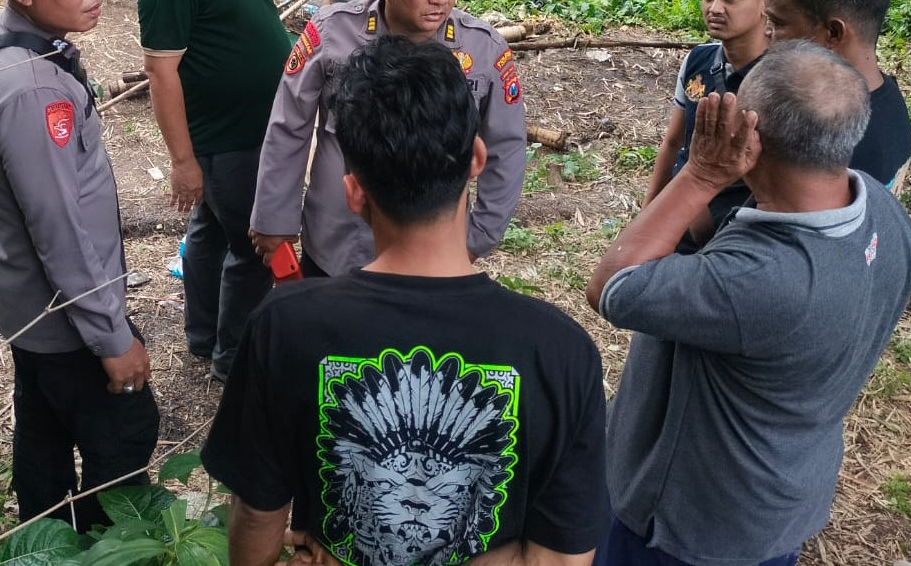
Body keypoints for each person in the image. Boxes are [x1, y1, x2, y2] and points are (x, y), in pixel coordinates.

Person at [204, 36, 608, 566]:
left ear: (353, 191)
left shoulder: (285, 325)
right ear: (477, 160)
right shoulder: (561, 350)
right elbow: (561, 558)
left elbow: (258, 514)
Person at [586, 41, 911, 566]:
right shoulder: (881, 207)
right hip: (781, 496)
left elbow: (612, 285)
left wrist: (699, 174)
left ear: (749, 132)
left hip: (691, 525)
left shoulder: (760, 280)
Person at [0, 0, 158, 529]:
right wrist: (112, 337)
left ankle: (44, 533)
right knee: (126, 435)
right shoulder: (33, 88)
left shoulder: (5, 42)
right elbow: (59, 229)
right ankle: (100, 542)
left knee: (43, 431)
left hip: (25, 302)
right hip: (62, 315)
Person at [250, 0, 527, 276]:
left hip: (430, 257)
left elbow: (506, 146)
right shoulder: (333, 34)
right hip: (338, 245)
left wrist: (477, 237)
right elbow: (289, 127)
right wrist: (275, 219)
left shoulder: (483, 50)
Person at [137, 0, 289, 381]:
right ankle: (233, 361)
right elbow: (161, 69)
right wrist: (183, 160)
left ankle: (203, 337)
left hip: (258, 126)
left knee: (208, 232)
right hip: (225, 136)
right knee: (252, 247)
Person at [763, 0, 911, 190]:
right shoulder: (887, 100)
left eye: (778, 24)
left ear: (833, 32)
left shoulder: (827, 143)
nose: (767, 34)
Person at [644, 0, 772, 204]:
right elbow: (673, 143)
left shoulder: (783, 77)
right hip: (679, 213)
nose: (714, 8)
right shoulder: (697, 60)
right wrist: (648, 209)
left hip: (736, 227)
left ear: (766, 2)